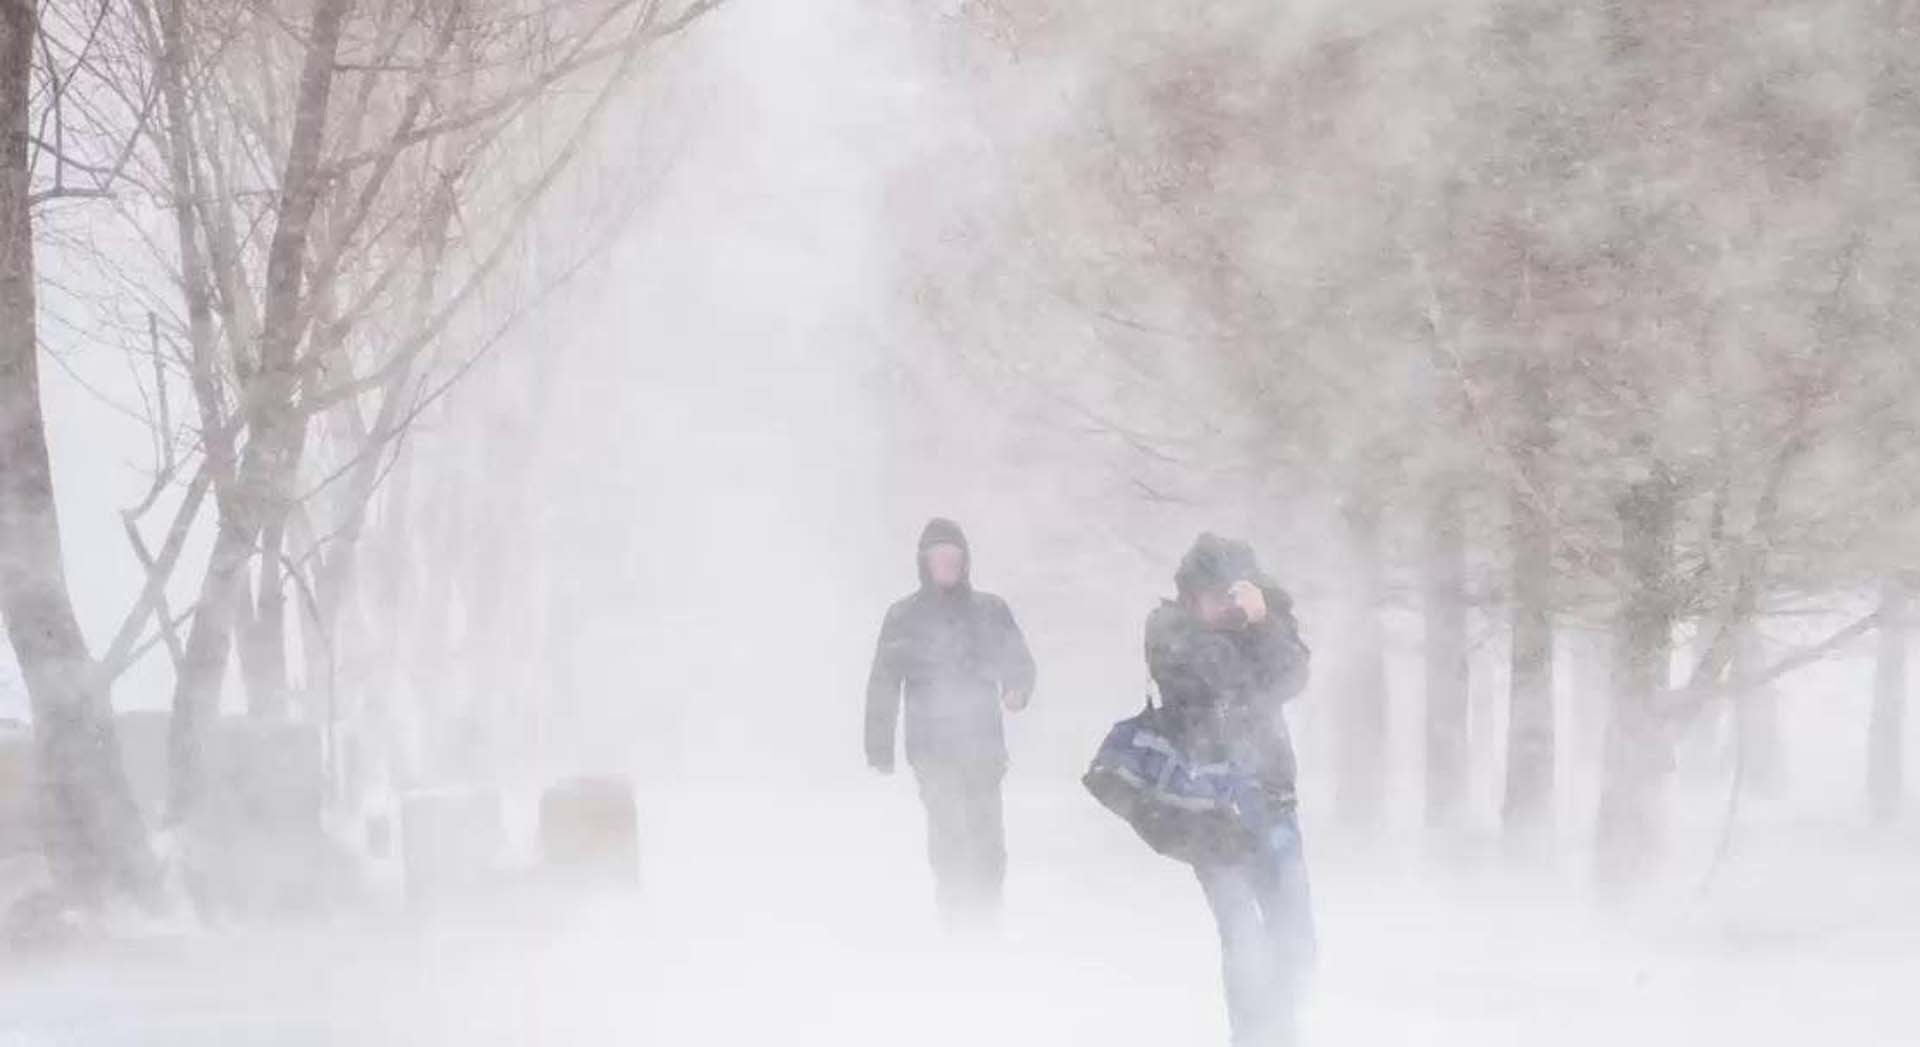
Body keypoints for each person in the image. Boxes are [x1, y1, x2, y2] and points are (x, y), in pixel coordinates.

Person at [1146, 533, 1314, 1047]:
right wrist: (1251, 631)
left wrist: (1264, 622)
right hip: (1209, 809)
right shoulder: (1168, 628)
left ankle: (1282, 1035)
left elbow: (1290, 677)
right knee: (1244, 937)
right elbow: (1216, 680)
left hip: (1272, 799)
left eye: (1234, 593)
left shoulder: (1264, 626)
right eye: (1215, 593)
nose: (1225, 603)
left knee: (1295, 937)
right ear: (1191, 593)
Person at [865, 518, 1036, 922]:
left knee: (987, 839)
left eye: (953, 557)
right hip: (931, 750)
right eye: (939, 557)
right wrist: (879, 749)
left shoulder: (990, 611)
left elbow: (1019, 660)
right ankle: (956, 919)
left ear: (965, 561)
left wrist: (1017, 689)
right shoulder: (904, 617)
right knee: (949, 836)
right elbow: (883, 684)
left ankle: (986, 916)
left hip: (983, 748)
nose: (947, 564)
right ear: (924, 562)